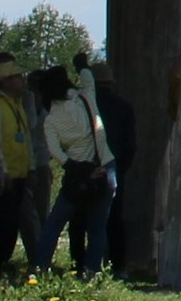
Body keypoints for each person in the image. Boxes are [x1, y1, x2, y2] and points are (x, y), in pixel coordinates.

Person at [32, 65, 112, 276]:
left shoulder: (51, 120)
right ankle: (92, 271)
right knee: (97, 227)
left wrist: (80, 169)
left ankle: (40, 268)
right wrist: (81, 64)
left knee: (54, 224)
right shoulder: (86, 98)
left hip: (78, 176)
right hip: (104, 165)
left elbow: (58, 154)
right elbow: (87, 78)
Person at [0, 56, 37, 271]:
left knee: (12, 222)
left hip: (20, 172)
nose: (21, 80)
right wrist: (2, 171)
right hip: (3, 175)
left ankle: (2, 260)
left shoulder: (18, 105)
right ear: (5, 81)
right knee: (1, 221)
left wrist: (31, 167)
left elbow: (26, 138)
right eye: (16, 77)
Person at [86, 55, 141, 275]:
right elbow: (131, 144)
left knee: (82, 219)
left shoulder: (85, 106)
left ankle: (82, 263)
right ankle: (119, 266)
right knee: (114, 219)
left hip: (87, 168)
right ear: (110, 82)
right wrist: (121, 168)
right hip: (114, 167)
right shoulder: (124, 107)